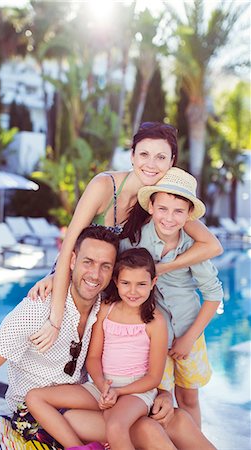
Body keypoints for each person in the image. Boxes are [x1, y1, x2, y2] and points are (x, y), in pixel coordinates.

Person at [0, 225, 216, 450]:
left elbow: (135, 353)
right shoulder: (36, 310)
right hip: (42, 414)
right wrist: (54, 276)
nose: (94, 275)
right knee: (149, 429)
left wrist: (162, 392)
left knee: (176, 418)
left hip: (92, 401)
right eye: (87, 262)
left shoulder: (106, 305)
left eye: (105, 266)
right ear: (72, 261)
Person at [28, 122, 223, 352]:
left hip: (107, 293)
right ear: (132, 156)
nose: (151, 164)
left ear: (171, 162)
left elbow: (212, 246)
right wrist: (55, 313)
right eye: (144, 154)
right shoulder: (104, 186)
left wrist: (162, 268)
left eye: (161, 157)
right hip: (74, 279)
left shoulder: (159, 202)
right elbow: (69, 244)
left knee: (85, 362)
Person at [26, 248, 168, 450]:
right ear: (116, 281)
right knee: (35, 397)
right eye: (126, 283)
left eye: (141, 284)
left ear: (153, 283)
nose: (133, 291)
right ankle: (78, 448)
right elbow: (93, 358)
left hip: (136, 391)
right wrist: (103, 387)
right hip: (101, 387)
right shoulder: (106, 309)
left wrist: (118, 392)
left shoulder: (156, 322)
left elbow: (153, 378)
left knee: (116, 427)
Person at [120, 167, 224, 428]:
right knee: (159, 401)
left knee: (189, 398)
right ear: (151, 207)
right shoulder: (134, 241)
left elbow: (213, 294)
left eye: (178, 211)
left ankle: (193, 441)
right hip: (154, 337)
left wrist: (189, 339)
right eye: (163, 209)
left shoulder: (191, 246)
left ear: (189, 215)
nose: (169, 218)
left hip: (191, 331)